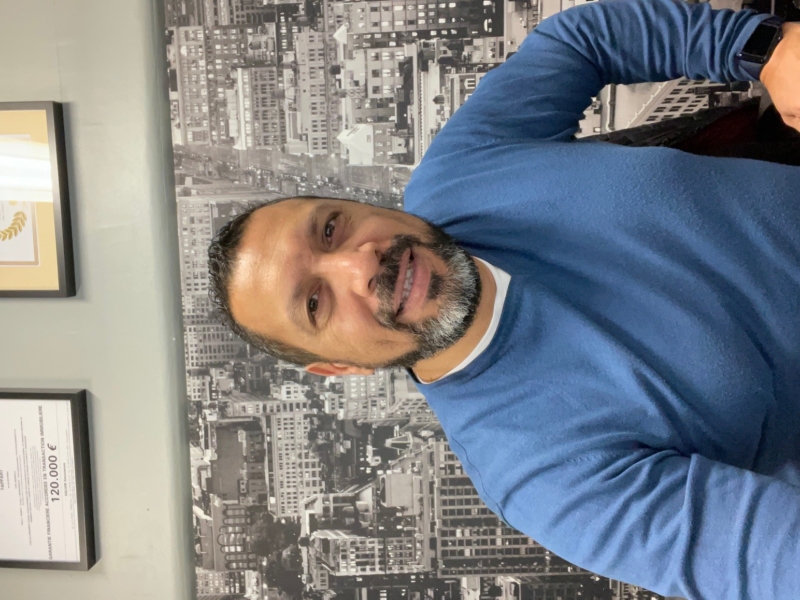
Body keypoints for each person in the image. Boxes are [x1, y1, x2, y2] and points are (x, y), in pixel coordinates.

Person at [207, 0, 800, 597]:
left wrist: (763, 49)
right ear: (340, 366)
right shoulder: (541, 477)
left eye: (331, 228)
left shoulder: (460, 172)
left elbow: (580, 40)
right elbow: (770, 557)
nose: (360, 264)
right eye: (316, 303)